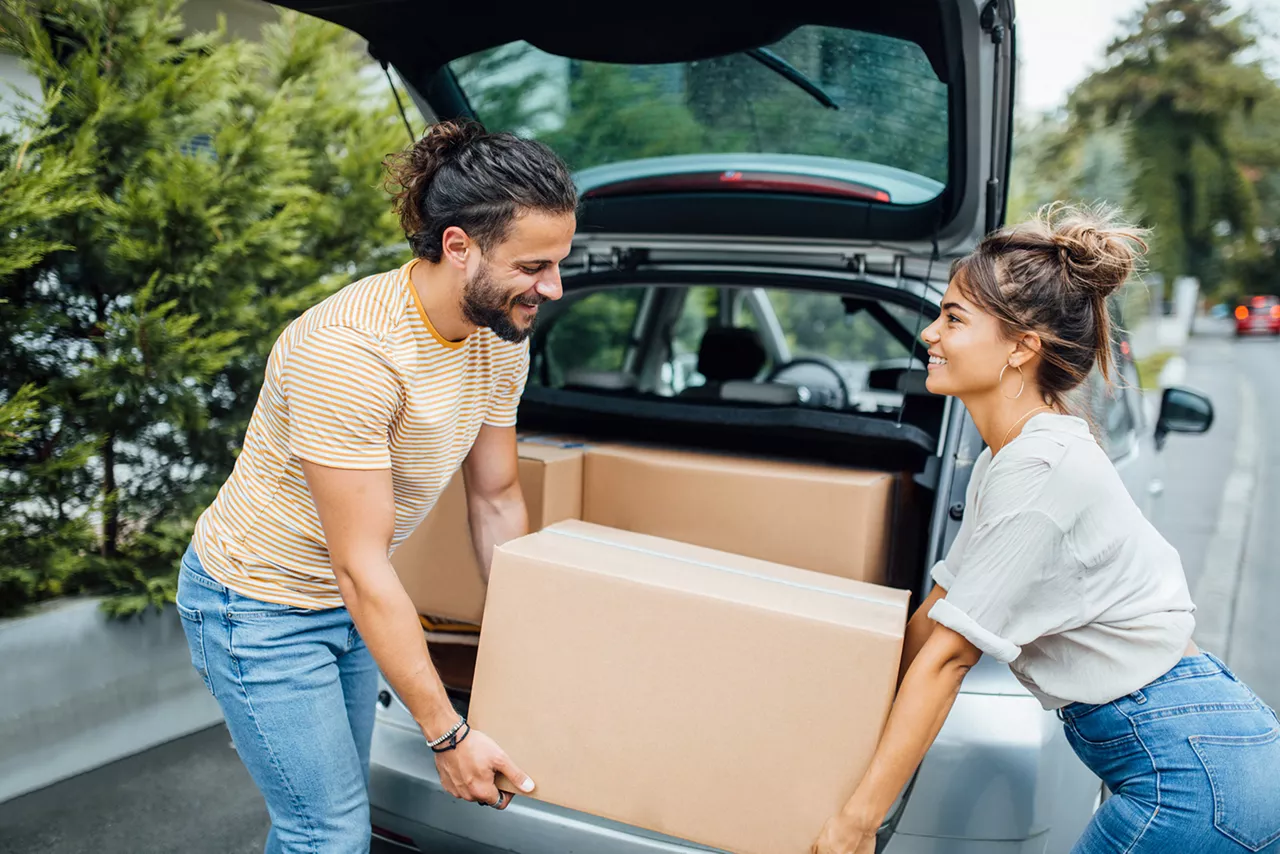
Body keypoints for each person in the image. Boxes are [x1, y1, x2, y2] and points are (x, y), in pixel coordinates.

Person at [812, 204, 1280, 854]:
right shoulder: (1007, 459)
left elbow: (950, 657)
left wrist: (856, 824)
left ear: (1021, 347)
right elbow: (939, 614)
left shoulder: (1041, 468)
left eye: (952, 317)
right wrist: (845, 689)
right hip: (1199, 751)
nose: (928, 334)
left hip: (1195, 774)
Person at [175, 119, 578, 853]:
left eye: (559, 263)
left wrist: (528, 646)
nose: (552, 287)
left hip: (351, 597)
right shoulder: (351, 353)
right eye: (533, 266)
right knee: (325, 833)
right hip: (259, 606)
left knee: (328, 820)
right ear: (459, 247)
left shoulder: (498, 334)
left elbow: (495, 498)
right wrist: (447, 734)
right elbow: (359, 564)